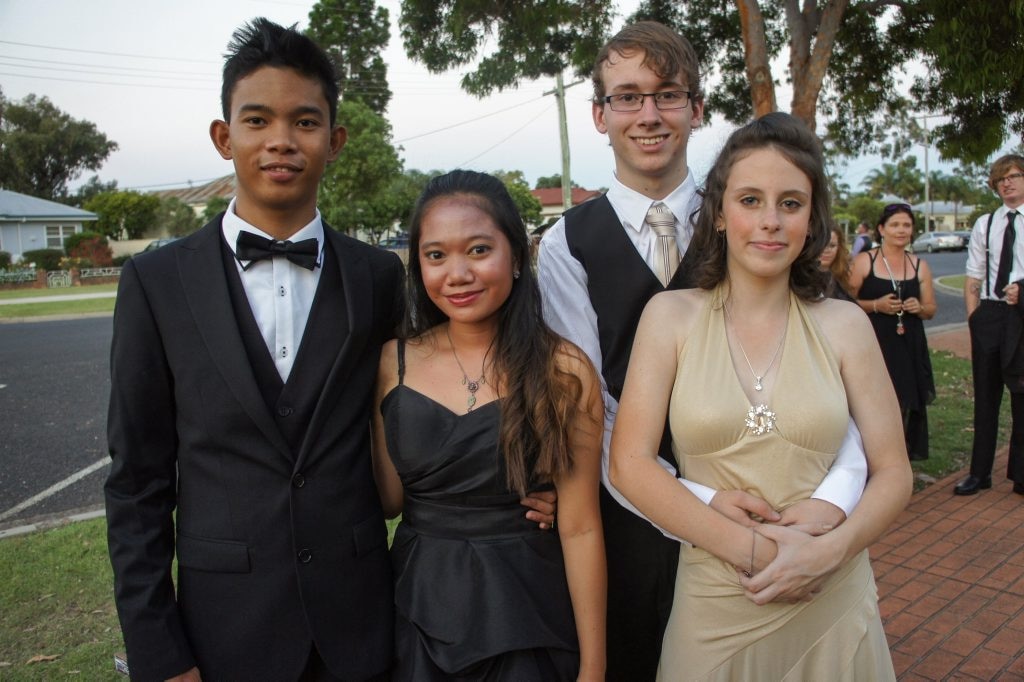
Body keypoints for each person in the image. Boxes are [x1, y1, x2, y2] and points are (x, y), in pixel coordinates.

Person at [103, 20, 556, 681]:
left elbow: (445, 382)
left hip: (363, 620)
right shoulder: (154, 282)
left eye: (305, 121)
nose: (281, 141)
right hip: (223, 627)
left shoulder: (376, 277)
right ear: (224, 137)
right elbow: (136, 483)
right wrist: (158, 651)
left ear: (335, 139)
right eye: (257, 120)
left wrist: (520, 486)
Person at [537, 21, 867, 681]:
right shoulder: (564, 245)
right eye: (627, 97)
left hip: (776, 508)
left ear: (697, 108)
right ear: (600, 116)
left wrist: (827, 505)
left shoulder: (756, 222)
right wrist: (689, 498)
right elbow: (590, 404)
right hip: (625, 521)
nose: (649, 114)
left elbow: (829, 373)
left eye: (667, 94)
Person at [610, 112, 911, 680]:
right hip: (718, 598)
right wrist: (757, 555)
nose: (770, 222)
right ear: (720, 213)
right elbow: (629, 465)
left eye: (790, 203)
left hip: (831, 590)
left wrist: (830, 552)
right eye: (750, 200)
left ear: (810, 219)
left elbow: (893, 471)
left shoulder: (845, 325)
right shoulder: (670, 317)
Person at [371, 170, 606, 680]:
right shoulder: (393, 363)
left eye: (478, 250)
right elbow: (388, 499)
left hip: (527, 606)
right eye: (436, 256)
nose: (456, 274)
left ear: (517, 257)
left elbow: (582, 526)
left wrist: (593, 667)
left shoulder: (564, 370)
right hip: (417, 603)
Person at [955, 154, 1024, 495]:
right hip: (990, 315)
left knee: (1021, 395)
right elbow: (974, 274)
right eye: (1001, 179)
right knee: (985, 397)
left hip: (1022, 314)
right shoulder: (986, 222)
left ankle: (1021, 474)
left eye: (1013, 176)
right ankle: (979, 474)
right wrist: (974, 319)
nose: (1007, 183)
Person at [850, 204, 936, 461]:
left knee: (905, 402)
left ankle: (898, 459)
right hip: (874, 341)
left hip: (909, 343)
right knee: (871, 403)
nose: (901, 230)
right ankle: (867, 459)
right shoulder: (866, 260)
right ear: (881, 229)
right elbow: (844, 302)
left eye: (906, 225)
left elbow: (931, 309)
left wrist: (918, 307)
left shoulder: (919, 265)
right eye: (895, 225)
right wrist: (876, 305)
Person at [821, 223, 855, 301]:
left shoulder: (841, 274)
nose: (826, 250)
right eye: (821, 244)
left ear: (839, 248)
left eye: (832, 245)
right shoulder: (800, 280)